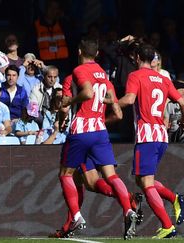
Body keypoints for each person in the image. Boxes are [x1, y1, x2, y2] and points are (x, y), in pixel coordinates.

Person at [59, 39, 138, 239]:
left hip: (81, 130)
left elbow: (80, 96)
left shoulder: (76, 73)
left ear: (79, 51)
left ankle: (76, 217)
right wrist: (101, 115)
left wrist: (68, 105)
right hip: (100, 131)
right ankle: (128, 207)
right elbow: (117, 111)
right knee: (105, 177)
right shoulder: (104, 75)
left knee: (66, 174)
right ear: (96, 54)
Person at [118, 43, 184, 239]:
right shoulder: (163, 78)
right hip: (161, 136)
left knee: (146, 183)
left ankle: (167, 226)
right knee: (142, 180)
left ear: (138, 58)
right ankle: (174, 199)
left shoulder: (136, 76)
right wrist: (183, 121)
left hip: (147, 135)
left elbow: (130, 99)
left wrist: (109, 104)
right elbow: (182, 103)